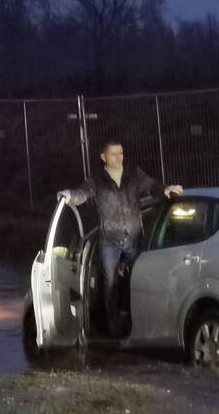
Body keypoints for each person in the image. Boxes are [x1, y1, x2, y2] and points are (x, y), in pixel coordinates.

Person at [58, 139, 182, 334]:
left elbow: (151, 185)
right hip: (109, 240)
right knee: (109, 284)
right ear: (103, 157)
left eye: (121, 153)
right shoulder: (97, 180)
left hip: (133, 237)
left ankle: (135, 320)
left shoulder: (134, 174)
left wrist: (165, 188)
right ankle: (111, 324)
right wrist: (70, 196)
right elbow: (82, 194)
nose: (119, 157)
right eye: (114, 154)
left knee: (137, 279)